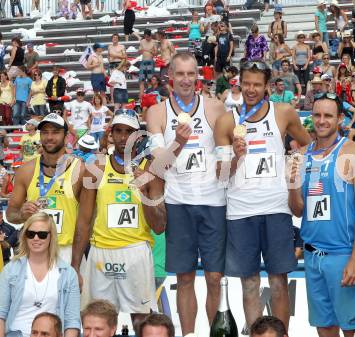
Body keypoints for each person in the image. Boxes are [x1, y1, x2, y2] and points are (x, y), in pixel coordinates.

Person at [214, 60, 311, 330]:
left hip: (277, 208)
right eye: (246, 83)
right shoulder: (226, 121)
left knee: (278, 281)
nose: (251, 89)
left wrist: (294, 162)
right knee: (250, 284)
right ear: (239, 83)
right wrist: (235, 155)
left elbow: (308, 146)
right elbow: (221, 175)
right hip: (241, 212)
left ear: (267, 86)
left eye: (257, 84)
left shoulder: (283, 113)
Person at [146, 52, 226, 335]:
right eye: (180, 74)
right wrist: (178, 142)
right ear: (170, 77)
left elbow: (226, 158)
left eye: (191, 74)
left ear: (198, 76)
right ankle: (189, 334)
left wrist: (226, 178)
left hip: (214, 202)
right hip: (178, 202)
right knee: (185, 277)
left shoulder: (216, 108)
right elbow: (158, 165)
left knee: (216, 277)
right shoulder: (156, 112)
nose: (186, 80)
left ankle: (216, 331)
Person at [72, 109, 165, 330]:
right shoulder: (96, 167)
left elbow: (160, 226)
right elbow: (84, 220)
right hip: (100, 251)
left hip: (135, 251)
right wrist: (75, 265)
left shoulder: (150, 169)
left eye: (129, 132)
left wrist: (142, 192)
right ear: (111, 134)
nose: (124, 138)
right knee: (98, 321)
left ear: (139, 136)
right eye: (119, 131)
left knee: (141, 320)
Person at [289, 93, 355, 337]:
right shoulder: (300, 156)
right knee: (324, 326)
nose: (322, 121)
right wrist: (292, 185)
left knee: (352, 328)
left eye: (328, 116)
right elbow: (298, 210)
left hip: (342, 254)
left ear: (341, 119)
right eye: (317, 115)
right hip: (313, 256)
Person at [6, 113, 84, 263]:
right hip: (34, 249)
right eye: (45, 132)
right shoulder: (26, 171)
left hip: (66, 250)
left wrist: (76, 262)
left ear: (66, 136)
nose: (49, 137)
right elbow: (11, 214)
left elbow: (87, 220)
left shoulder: (80, 170)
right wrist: (22, 214)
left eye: (55, 132)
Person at [0, 212, 81, 337]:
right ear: (25, 236)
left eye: (42, 235)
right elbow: (1, 314)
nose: (36, 238)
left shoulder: (68, 274)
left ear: (51, 237)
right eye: (31, 234)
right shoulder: (11, 270)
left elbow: (72, 321)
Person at [139, 29, 157, 100]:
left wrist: (150, 51)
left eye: (148, 36)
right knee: (141, 80)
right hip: (143, 61)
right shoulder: (142, 41)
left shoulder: (154, 42)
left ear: (150, 36)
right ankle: (141, 97)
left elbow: (156, 53)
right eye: (145, 36)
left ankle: (150, 96)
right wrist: (141, 50)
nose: (147, 38)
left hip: (150, 61)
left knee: (150, 80)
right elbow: (139, 51)